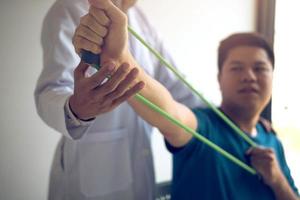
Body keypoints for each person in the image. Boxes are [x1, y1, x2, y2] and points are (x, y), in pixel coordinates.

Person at [73, 0, 300, 199]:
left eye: (260, 68)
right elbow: (170, 112)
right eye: (237, 68)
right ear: (219, 79)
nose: (249, 76)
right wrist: (120, 61)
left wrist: (278, 180)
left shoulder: (272, 140)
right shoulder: (206, 126)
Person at [34, 0, 202, 199]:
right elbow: (51, 91)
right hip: (89, 173)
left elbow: (179, 90)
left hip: (142, 168)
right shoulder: (69, 9)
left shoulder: (141, 19)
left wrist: (226, 123)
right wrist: (76, 108)